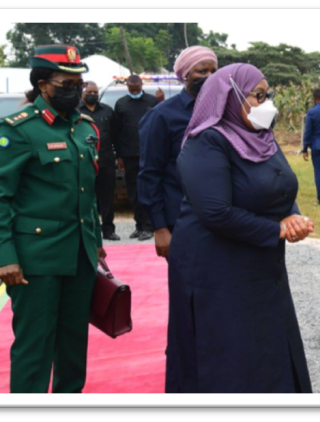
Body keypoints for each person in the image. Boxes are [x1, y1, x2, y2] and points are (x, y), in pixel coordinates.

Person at [167, 63, 314, 393]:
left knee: (266, 344)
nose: (267, 104)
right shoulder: (206, 143)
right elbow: (215, 212)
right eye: (258, 96)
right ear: (229, 98)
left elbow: (278, 186)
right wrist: (275, 229)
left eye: (268, 95)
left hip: (258, 264)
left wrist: (292, 215)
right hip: (216, 269)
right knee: (228, 354)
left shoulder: (261, 136)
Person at [0, 45, 106, 393]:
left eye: (79, 83)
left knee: (73, 350)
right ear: (43, 85)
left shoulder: (85, 128)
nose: (76, 89)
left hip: (79, 258)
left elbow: (86, 194)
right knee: (34, 350)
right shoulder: (19, 130)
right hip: (35, 261)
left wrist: (96, 243)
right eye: (66, 83)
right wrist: (6, 257)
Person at [137, 46, 218, 393]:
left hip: (220, 223)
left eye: (213, 70)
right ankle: (185, 381)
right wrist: (159, 227)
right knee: (187, 304)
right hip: (181, 226)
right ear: (184, 75)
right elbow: (149, 174)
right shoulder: (163, 116)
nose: (208, 77)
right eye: (200, 71)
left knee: (218, 300)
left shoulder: (225, 111)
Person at [113, 74, 156, 241]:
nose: (135, 91)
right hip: (129, 155)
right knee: (134, 192)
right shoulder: (121, 103)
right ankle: (139, 225)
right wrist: (119, 156)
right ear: (127, 87)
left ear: (141, 85)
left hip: (150, 154)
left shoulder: (152, 101)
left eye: (137, 89)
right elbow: (117, 131)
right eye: (131, 89)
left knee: (148, 190)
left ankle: (149, 226)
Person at [79, 81, 119, 241]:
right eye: (90, 92)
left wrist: (119, 156)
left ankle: (108, 229)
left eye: (96, 92)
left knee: (107, 197)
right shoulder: (75, 111)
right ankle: (88, 230)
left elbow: (116, 134)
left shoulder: (107, 111)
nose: (93, 94)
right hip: (83, 162)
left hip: (105, 160)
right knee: (86, 197)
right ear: (82, 93)